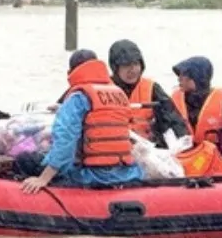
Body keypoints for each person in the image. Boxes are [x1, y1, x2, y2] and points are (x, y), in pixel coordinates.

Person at [21, 49, 146, 194]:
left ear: (71, 72)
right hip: (126, 172)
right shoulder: (119, 93)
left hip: (94, 176)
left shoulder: (78, 97)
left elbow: (65, 140)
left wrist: (43, 178)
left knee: (25, 160)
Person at [170, 56, 222, 176]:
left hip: (218, 166)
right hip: (188, 164)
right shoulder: (173, 102)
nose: (179, 79)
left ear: (195, 78)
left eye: (183, 75)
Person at [107, 39, 188, 148]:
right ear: (115, 68)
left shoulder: (152, 88)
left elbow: (173, 121)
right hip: (114, 150)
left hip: (148, 151)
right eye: (126, 65)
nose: (133, 70)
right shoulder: (104, 90)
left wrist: (181, 146)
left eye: (136, 64)